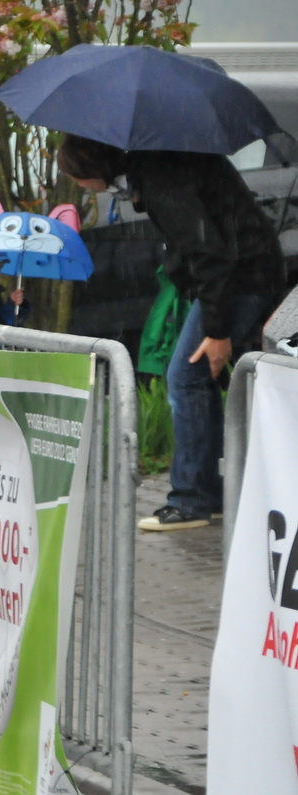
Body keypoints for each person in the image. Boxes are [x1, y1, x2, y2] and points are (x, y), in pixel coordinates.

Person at [56, 133, 284, 531]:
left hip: (244, 278)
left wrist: (217, 330)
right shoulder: (157, 168)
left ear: (95, 170)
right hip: (246, 271)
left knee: (186, 377)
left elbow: (210, 252)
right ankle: (208, 493)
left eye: (78, 179)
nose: (80, 188)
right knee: (195, 378)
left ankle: (194, 499)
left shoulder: (162, 178)